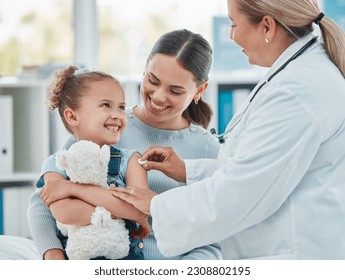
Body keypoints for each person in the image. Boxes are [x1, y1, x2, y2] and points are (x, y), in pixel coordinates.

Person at [112, 0, 345, 260]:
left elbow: (241, 192)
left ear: (267, 26)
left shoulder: (297, 91)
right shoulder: (298, 75)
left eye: (234, 24)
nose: (231, 36)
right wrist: (187, 170)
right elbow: (260, 169)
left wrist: (155, 205)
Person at [27, 29, 223, 260]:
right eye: (153, 80)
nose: (159, 96)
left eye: (175, 90)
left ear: (199, 90)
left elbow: (212, 239)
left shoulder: (208, 150)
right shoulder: (105, 128)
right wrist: (53, 255)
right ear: (144, 71)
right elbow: (43, 201)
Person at [33, 65, 150, 260]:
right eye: (105, 105)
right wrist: (120, 211)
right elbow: (64, 213)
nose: (117, 114)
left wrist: (73, 189)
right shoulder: (56, 164)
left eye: (121, 106)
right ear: (72, 116)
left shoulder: (132, 160)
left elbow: (139, 209)